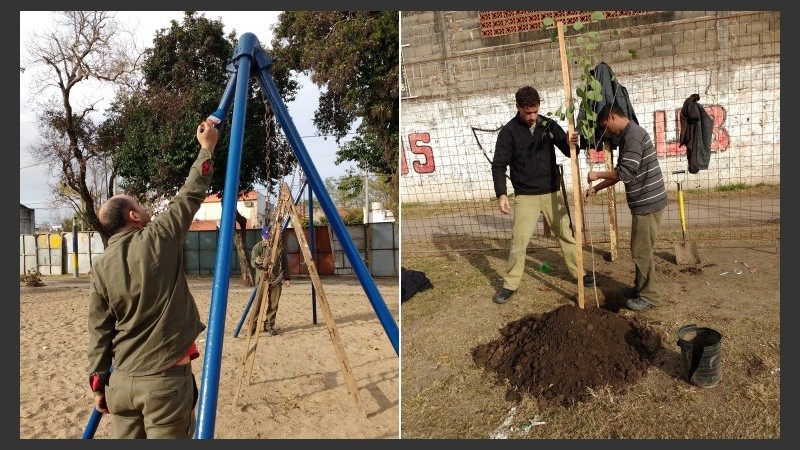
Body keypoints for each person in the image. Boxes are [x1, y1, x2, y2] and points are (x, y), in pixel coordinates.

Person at [86, 118, 219, 439]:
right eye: (140, 205)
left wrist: (98, 382)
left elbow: (99, 330)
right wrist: (207, 149)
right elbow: (190, 195)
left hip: (121, 384)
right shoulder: (159, 237)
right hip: (162, 382)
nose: (145, 208)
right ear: (133, 216)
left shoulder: (100, 268)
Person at [491, 85, 594, 304]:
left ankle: (579, 274)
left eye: (535, 111)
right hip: (526, 196)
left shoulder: (548, 125)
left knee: (565, 234)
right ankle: (510, 284)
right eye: (528, 112)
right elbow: (498, 165)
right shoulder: (509, 132)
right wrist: (501, 194)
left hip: (551, 192)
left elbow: (568, 150)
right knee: (519, 241)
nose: (532, 117)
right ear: (518, 108)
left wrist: (573, 141)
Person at [585, 103, 668, 311]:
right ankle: (640, 288)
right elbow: (621, 171)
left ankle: (650, 297)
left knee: (641, 251)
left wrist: (597, 175)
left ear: (612, 117)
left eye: (605, 126)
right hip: (647, 201)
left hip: (647, 203)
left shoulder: (632, 137)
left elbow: (625, 173)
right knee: (640, 248)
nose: (607, 131)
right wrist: (597, 188)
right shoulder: (629, 135)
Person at [250, 224, 291, 336]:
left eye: (269, 237)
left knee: (273, 305)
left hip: (275, 280)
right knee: (257, 305)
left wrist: (287, 278)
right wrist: (258, 261)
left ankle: (269, 325)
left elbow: (285, 263)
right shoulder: (257, 247)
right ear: (262, 236)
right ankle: (252, 326)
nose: (267, 240)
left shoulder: (279, 248)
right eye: (265, 237)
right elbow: (253, 262)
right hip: (262, 281)